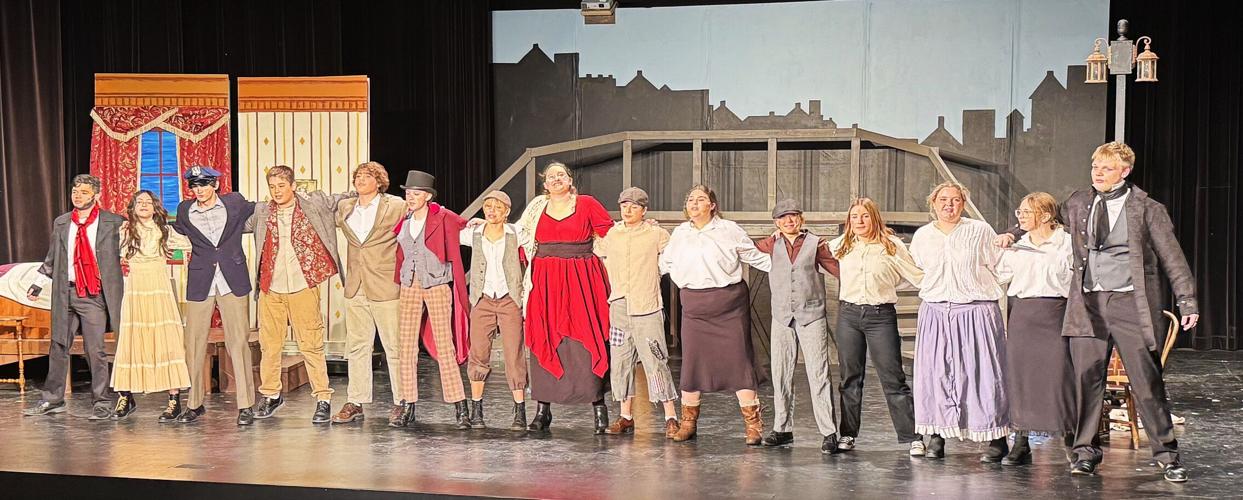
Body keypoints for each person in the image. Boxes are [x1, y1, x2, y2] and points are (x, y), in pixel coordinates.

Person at [996, 142, 1196, 482]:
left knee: (1146, 382)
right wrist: (1014, 232)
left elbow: (1171, 257)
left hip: (1130, 304)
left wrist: (1187, 300)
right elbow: (1047, 220)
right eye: (1095, 168)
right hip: (1087, 303)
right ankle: (1085, 452)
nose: (1098, 174)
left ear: (1124, 170)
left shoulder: (1148, 208)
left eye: (1105, 168)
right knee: (1086, 379)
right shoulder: (1079, 201)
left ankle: (1167, 455)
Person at [660, 185, 772, 445]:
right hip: (694, 306)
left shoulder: (729, 229)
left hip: (728, 305)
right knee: (692, 363)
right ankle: (688, 422)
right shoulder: (680, 232)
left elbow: (754, 257)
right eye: (690, 200)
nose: (694, 203)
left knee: (739, 361)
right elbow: (664, 263)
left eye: (701, 199)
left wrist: (791, 267)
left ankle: (753, 424)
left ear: (712, 205)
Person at [908, 181, 1009, 461]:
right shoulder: (923, 236)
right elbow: (916, 270)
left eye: (955, 200)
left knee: (985, 375)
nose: (948, 205)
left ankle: (997, 439)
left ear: (963, 204)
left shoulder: (979, 230)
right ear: (933, 203)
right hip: (936, 311)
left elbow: (999, 266)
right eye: (943, 200)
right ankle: (938, 436)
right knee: (936, 374)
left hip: (976, 310)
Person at [516, 162, 615, 433]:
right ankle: (543, 409)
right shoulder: (537, 206)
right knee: (545, 337)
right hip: (546, 280)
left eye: (561, 175)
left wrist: (640, 227)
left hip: (581, 278)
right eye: (551, 177)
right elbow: (519, 235)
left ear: (570, 180)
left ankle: (598, 406)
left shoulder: (586, 203)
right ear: (544, 184)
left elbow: (611, 233)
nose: (556, 179)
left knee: (586, 338)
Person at [247, 165, 346, 424]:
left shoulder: (313, 203)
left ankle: (323, 397)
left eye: (281, 186)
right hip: (271, 286)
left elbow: (345, 198)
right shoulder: (262, 211)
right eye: (272, 187)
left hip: (302, 284)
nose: (277, 191)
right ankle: (270, 394)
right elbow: (237, 222)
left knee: (310, 344)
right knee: (270, 346)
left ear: (292, 185)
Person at [23, 174, 124, 420]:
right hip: (65, 291)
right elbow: (52, 257)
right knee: (58, 345)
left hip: (92, 293)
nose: (77, 196)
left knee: (95, 349)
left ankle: (102, 401)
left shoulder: (112, 222)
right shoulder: (62, 222)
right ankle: (53, 399)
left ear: (96, 195)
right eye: (75, 192)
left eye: (84, 192)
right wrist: (37, 284)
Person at [829, 197, 925, 456]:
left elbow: (916, 275)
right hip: (849, 315)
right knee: (849, 378)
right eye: (854, 217)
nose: (859, 221)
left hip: (880, 315)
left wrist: (891, 287)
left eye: (865, 216)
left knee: (893, 377)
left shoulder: (890, 245)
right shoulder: (841, 245)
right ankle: (848, 434)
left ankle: (912, 436)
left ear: (874, 218)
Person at [169, 166, 258, 425]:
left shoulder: (235, 203)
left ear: (215, 185)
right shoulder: (185, 210)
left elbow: (263, 210)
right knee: (194, 343)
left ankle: (246, 405)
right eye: (195, 186)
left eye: (205, 184)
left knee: (238, 342)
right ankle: (194, 403)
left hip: (232, 278)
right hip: (201, 280)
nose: (200, 190)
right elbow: (173, 231)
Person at [753, 198, 842, 453]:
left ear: (801, 219)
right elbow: (741, 251)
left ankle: (828, 432)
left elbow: (838, 269)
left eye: (793, 216)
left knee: (819, 374)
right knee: (781, 373)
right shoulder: (771, 244)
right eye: (783, 218)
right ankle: (782, 429)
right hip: (782, 316)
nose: (788, 221)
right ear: (776, 222)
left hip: (811, 314)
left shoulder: (816, 243)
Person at [993, 192, 1074, 465]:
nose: (1021, 217)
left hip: (1055, 315)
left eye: (1027, 212)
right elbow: (997, 274)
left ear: (1047, 215)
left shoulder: (1067, 243)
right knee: (1021, 379)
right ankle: (1021, 441)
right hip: (1023, 316)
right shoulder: (1018, 245)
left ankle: (1072, 440)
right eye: (1020, 212)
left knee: (1058, 378)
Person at [389, 170, 472, 429]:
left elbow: (466, 228)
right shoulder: (405, 220)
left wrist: (480, 225)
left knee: (444, 346)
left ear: (427, 196)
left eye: (415, 194)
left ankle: (460, 407)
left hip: (436, 283)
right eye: (407, 193)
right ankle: (408, 404)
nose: (410, 197)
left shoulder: (443, 217)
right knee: (406, 347)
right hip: (409, 284)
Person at [594, 187, 680, 438]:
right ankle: (626, 416)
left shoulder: (656, 234)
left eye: (634, 206)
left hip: (647, 307)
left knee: (655, 360)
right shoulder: (613, 234)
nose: (628, 210)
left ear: (644, 210)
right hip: (619, 306)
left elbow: (676, 252)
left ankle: (670, 415)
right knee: (620, 360)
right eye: (624, 205)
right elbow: (594, 246)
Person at [331, 162, 408, 425]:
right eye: (357, 176)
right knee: (357, 346)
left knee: (394, 346)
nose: (360, 180)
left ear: (379, 181)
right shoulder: (345, 207)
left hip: (385, 284)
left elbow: (424, 213)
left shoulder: (396, 205)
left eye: (367, 176)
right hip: (356, 285)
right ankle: (356, 400)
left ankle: (402, 401)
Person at [109, 190, 193, 421]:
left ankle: (174, 399)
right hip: (136, 289)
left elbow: (190, 245)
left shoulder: (165, 231)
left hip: (159, 288)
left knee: (166, 340)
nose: (144, 205)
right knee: (131, 340)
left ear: (155, 208)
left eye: (148, 202)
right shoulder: (124, 230)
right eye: (139, 202)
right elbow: (112, 254)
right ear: (133, 207)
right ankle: (125, 395)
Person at [460, 190, 529, 430]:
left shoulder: (516, 233)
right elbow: (448, 230)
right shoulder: (475, 234)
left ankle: (519, 410)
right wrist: (470, 222)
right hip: (482, 299)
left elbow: (538, 230)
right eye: (488, 206)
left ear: (507, 212)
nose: (491, 211)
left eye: (497, 207)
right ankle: (476, 408)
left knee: (513, 354)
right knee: (478, 353)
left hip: (509, 300)